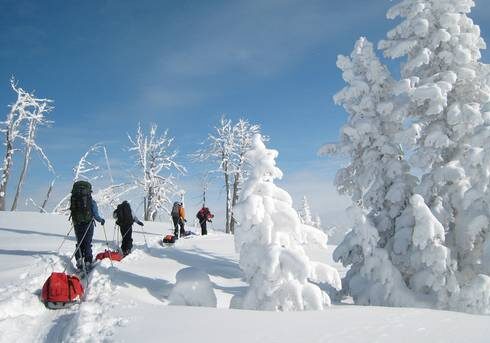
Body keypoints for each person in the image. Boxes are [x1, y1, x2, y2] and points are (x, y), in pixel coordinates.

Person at [70, 180, 105, 270]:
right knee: (87, 243)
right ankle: (88, 262)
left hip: (77, 223)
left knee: (80, 242)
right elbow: (96, 215)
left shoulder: (74, 198)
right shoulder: (91, 202)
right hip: (88, 224)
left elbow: (72, 211)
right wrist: (101, 220)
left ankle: (79, 260)